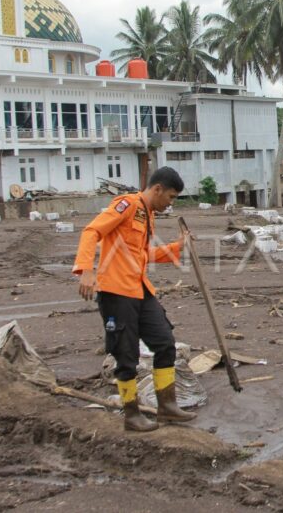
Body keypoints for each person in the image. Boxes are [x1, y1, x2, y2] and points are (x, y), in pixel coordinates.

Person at [72, 167, 196, 432]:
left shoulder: (148, 215)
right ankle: (131, 415)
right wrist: (86, 270)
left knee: (165, 342)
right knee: (125, 354)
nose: (171, 203)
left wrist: (177, 247)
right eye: (171, 197)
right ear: (157, 189)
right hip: (116, 292)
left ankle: (167, 406)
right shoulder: (127, 204)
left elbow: (142, 254)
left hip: (140, 290)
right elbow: (91, 232)